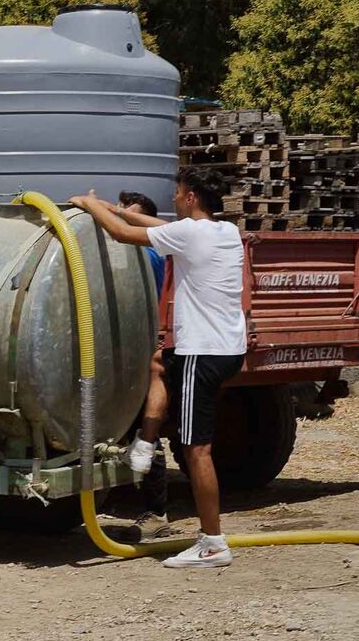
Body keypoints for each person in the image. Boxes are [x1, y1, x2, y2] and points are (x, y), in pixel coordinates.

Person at [70, 167, 247, 568]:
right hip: (227, 348)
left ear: (191, 198)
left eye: (179, 193)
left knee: (197, 449)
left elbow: (122, 235)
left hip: (203, 352)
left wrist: (90, 205)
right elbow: (156, 226)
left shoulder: (189, 234)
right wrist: (114, 207)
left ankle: (212, 544)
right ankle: (144, 446)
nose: (174, 198)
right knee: (159, 364)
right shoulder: (225, 231)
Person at [98, 191, 171, 542]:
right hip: (124, 347)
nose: (122, 216)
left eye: (130, 214)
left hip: (142, 348)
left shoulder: (148, 252)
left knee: (144, 427)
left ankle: (157, 513)